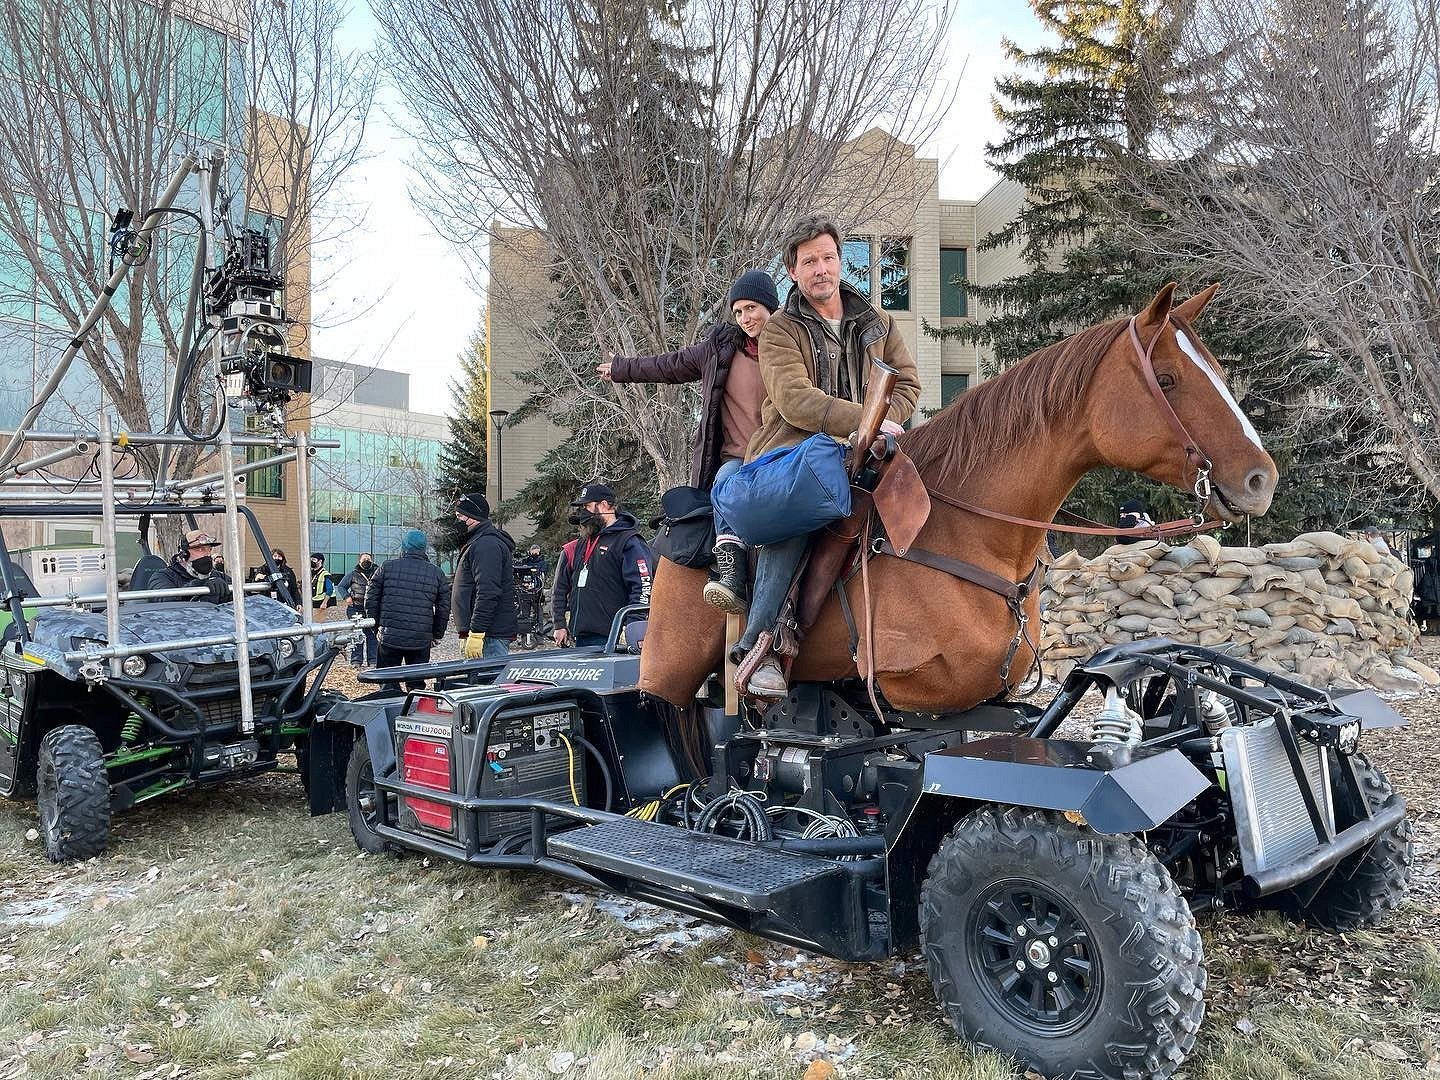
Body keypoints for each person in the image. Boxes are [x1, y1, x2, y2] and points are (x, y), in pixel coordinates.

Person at [735, 214, 920, 696]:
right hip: (794, 453)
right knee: (797, 517)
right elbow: (795, 400)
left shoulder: (879, 323)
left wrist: (880, 425)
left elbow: (908, 385)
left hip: (868, 452)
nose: (821, 269)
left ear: (841, 261)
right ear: (792, 272)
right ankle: (762, 646)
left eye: (829, 257)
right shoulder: (779, 330)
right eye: (809, 261)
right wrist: (866, 420)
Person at [599, 269, 781, 612]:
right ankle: (731, 575)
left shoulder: (790, 346)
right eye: (738, 311)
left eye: (752, 309)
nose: (745, 318)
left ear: (770, 307)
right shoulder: (720, 349)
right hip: (737, 459)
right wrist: (623, 369)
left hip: (779, 456)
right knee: (724, 483)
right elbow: (671, 365)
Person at [551, 482, 653, 648]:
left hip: (613, 637)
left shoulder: (629, 541)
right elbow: (560, 589)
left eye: (587, 506)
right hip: (580, 635)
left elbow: (642, 587)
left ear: (604, 505)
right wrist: (559, 624)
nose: (583, 512)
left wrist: (633, 626)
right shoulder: (578, 545)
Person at [365, 530, 451, 693]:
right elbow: (444, 608)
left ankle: (391, 704)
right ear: (424, 549)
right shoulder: (436, 573)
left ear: (404, 547)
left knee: (388, 683)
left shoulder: (387, 567)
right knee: (416, 685)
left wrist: (376, 627)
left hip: (390, 636)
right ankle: (414, 706)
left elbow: (371, 600)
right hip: (420, 638)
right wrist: (437, 634)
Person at [451, 492, 518, 658]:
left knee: (489, 675)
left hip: (489, 635)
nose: (457, 520)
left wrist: (477, 632)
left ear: (473, 517)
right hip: (483, 633)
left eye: (460, 516)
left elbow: (488, 591)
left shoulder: (486, 545)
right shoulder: (478, 542)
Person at [151, 529, 232, 603]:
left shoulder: (218, 576)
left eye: (209, 549)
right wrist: (199, 585)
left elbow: (239, 595)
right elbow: (166, 602)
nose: (207, 554)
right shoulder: (163, 577)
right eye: (200, 549)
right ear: (184, 554)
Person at [339, 553, 379, 666]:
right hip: (356, 608)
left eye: (368, 558)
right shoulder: (353, 574)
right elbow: (341, 586)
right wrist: (346, 597)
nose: (366, 560)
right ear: (359, 561)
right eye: (364, 558)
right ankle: (356, 660)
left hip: (372, 609)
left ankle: (373, 660)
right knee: (357, 634)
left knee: (372, 635)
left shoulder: (378, 574)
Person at [309, 553, 336, 618]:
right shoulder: (310, 573)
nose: (311, 561)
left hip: (321, 604)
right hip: (312, 603)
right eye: (311, 559)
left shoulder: (325, 574)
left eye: (314, 559)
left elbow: (330, 590)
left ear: (320, 561)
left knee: (318, 622)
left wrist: (324, 603)